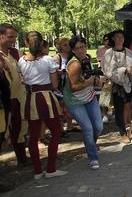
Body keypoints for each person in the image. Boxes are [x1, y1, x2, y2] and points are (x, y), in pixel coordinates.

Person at [19, 31, 66, 179]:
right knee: (56, 131)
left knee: (33, 135)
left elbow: (23, 81)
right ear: (41, 43)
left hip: (31, 98)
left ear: (26, 43)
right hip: (46, 97)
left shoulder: (21, 61)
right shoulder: (47, 60)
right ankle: (51, 169)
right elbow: (54, 84)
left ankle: (37, 171)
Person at [102, 30, 132, 144]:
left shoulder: (128, 52)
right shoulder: (109, 53)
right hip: (117, 85)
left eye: (122, 37)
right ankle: (123, 133)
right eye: (117, 37)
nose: (120, 39)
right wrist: (124, 70)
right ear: (113, 39)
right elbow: (108, 72)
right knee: (119, 109)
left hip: (130, 82)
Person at [64, 36, 103, 170]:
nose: (80, 50)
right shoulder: (74, 64)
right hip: (75, 101)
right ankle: (93, 157)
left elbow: (90, 75)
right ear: (73, 51)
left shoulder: (86, 58)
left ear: (86, 46)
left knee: (98, 127)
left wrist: (96, 79)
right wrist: (89, 82)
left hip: (89, 97)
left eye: (82, 47)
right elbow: (73, 87)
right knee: (88, 128)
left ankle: (90, 144)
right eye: (77, 48)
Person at [0, 24, 28, 166]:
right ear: (1, 36)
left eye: (15, 37)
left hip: (19, 96)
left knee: (21, 127)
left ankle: (22, 158)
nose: (13, 40)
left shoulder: (15, 53)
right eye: (10, 37)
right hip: (5, 101)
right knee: (5, 132)